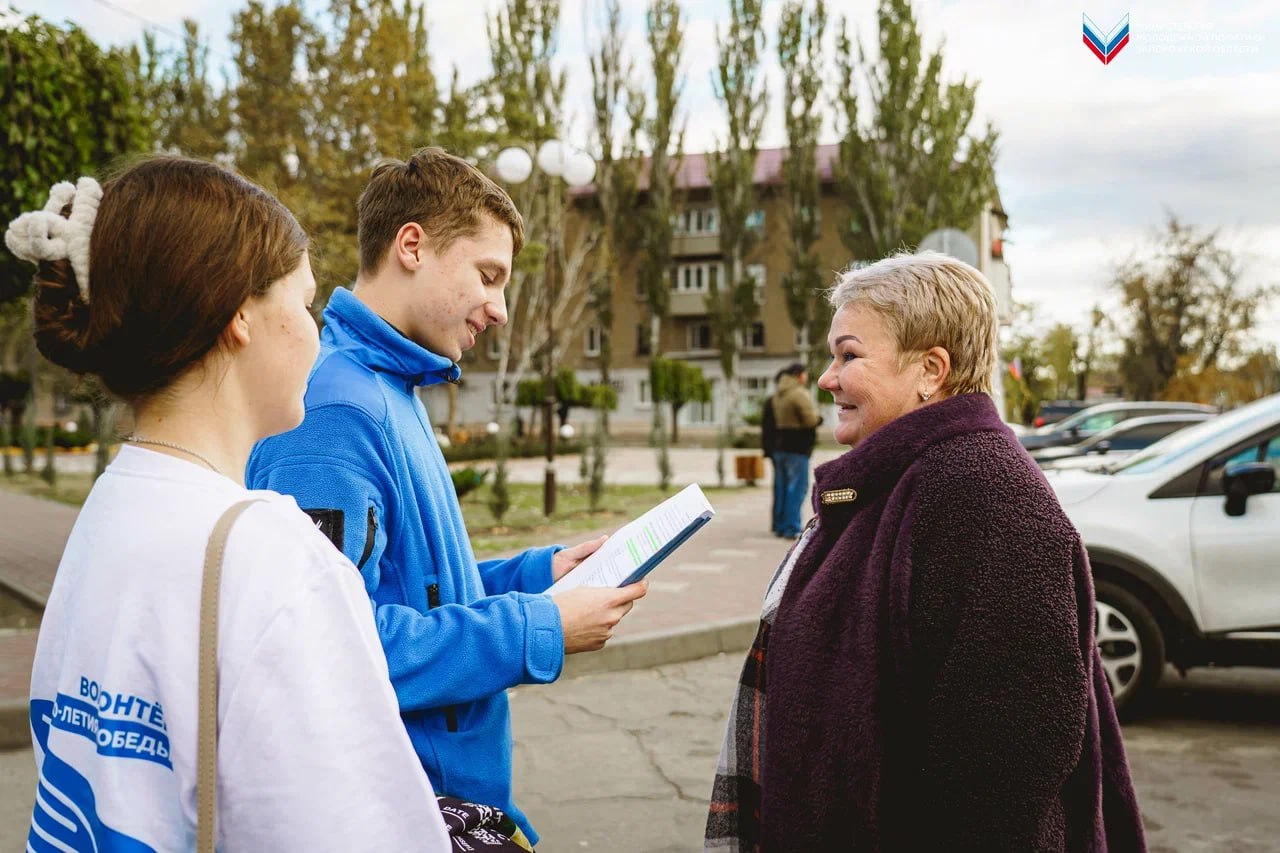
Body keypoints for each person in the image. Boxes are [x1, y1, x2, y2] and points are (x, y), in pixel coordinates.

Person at [7, 157, 451, 850]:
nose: (314, 332)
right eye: (303, 304)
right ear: (239, 315)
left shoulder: (114, 504)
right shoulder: (276, 560)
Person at [247, 146, 646, 845]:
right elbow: (335, 648)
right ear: (412, 246)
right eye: (488, 275)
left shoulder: (388, 387)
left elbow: (415, 586)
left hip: (444, 801)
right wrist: (539, 628)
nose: (498, 308)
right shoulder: (337, 407)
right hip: (405, 809)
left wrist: (537, 576)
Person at [705, 252, 1145, 851]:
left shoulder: (984, 496)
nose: (828, 378)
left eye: (849, 355)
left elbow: (1003, 782)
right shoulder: (902, 480)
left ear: (931, 370)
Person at [764, 363, 821, 539]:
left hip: (780, 446)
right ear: (798, 375)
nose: (806, 377)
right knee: (797, 487)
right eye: (804, 374)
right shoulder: (798, 393)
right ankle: (792, 527)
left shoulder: (777, 395)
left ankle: (780, 525)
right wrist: (819, 419)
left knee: (781, 488)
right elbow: (810, 419)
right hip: (797, 447)